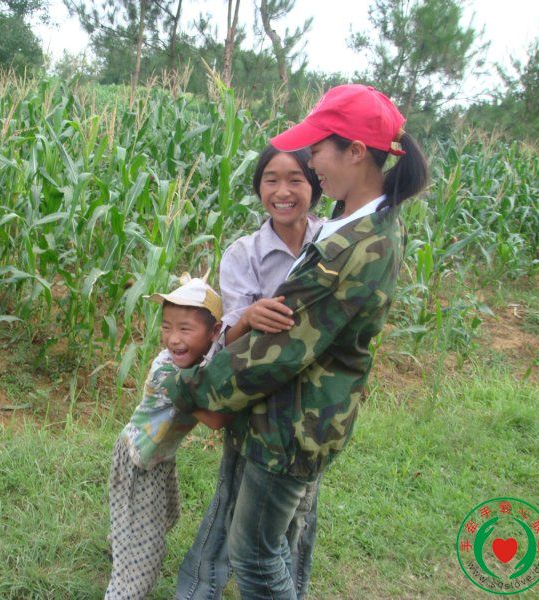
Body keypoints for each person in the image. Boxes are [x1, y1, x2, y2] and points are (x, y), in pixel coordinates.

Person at [164, 84, 429, 598]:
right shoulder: (356, 227)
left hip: (291, 426)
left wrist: (188, 389)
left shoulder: (352, 246)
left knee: (256, 556)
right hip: (287, 419)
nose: (312, 163)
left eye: (318, 150)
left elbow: (277, 351)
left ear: (356, 151)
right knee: (262, 545)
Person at [175, 145, 325, 598]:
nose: (282, 191)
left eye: (295, 179)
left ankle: (290, 588)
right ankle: (198, 589)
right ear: (259, 187)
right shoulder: (244, 254)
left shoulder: (332, 244)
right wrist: (249, 318)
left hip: (312, 404)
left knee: (300, 508)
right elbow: (226, 338)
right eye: (270, 180)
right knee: (233, 495)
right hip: (254, 402)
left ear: (315, 184)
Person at [106, 275, 232, 599]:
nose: (173, 338)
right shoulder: (170, 373)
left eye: (185, 328)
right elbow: (217, 420)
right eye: (166, 327)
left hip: (160, 458)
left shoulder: (198, 361)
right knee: (144, 560)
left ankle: (124, 541)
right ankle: (126, 581)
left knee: (166, 516)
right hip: (138, 462)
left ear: (214, 332)